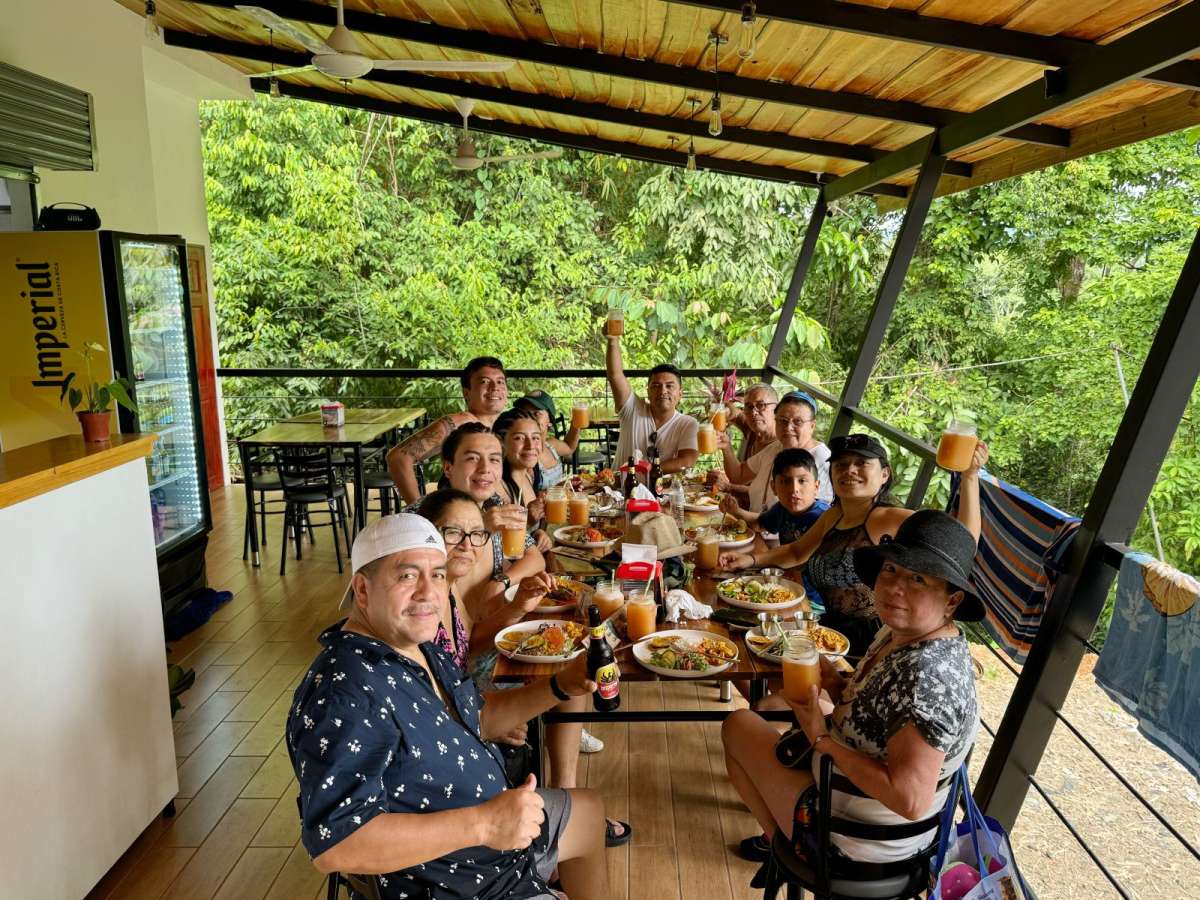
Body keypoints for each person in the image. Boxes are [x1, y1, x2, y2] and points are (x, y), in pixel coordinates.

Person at [287, 514, 611, 900]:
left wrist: (561, 684)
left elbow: (478, 717)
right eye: (407, 576)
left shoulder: (416, 646)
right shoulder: (345, 692)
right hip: (457, 880)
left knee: (589, 813)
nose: (429, 592)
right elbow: (336, 844)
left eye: (437, 575)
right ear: (362, 589)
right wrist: (484, 824)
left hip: (492, 837)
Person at [721, 510, 982, 867]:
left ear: (952, 601)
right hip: (865, 803)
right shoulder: (907, 632)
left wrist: (820, 739)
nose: (894, 587)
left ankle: (789, 852)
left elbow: (910, 800)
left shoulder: (927, 678)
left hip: (858, 837)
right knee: (776, 719)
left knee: (737, 724)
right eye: (891, 569)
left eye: (918, 579)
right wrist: (833, 681)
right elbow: (880, 709)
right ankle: (784, 839)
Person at [417, 490, 631, 841]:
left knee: (566, 676)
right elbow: (413, 699)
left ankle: (565, 802)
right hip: (449, 753)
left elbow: (466, 648)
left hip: (469, 706)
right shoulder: (420, 606)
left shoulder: (447, 588)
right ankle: (559, 826)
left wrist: (517, 609)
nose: (468, 545)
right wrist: (474, 721)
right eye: (451, 533)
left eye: (476, 535)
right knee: (561, 680)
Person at [721, 433, 986, 659]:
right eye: (841, 464)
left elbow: (961, 540)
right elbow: (796, 551)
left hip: (869, 642)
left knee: (754, 647)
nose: (849, 470)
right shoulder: (834, 514)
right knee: (744, 634)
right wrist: (750, 561)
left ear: (884, 474)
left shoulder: (887, 518)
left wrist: (970, 477)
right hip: (830, 630)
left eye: (861, 463)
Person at [437, 423, 545, 612]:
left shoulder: (493, 502)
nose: (485, 468)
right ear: (448, 467)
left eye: (494, 460)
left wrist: (500, 581)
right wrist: (481, 532)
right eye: (472, 458)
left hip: (491, 618)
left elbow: (535, 558)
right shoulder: (427, 516)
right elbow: (435, 579)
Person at [388, 356, 508, 503]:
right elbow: (398, 457)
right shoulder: (459, 422)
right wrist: (419, 511)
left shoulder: (495, 428)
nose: (495, 387)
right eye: (484, 382)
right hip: (455, 515)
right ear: (466, 393)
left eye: (500, 382)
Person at [718, 392, 830, 521]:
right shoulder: (777, 446)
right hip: (754, 526)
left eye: (797, 422)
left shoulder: (822, 457)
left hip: (780, 538)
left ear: (812, 426)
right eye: (783, 421)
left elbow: (811, 518)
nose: (788, 427)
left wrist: (740, 513)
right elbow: (739, 475)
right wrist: (726, 447)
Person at [604, 325, 699, 472]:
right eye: (656, 386)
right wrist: (613, 341)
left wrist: (646, 468)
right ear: (647, 391)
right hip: (620, 491)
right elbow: (615, 375)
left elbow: (687, 461)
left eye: (669, 386)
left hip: (661, 492)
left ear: (680, 393)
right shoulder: (632, 409)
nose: (663, 391)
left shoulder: (687, 423)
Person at [726, 447, 830, 544]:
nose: (794, 489)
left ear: (816, 487)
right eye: (786, 481)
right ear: (774, 488)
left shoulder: (824, 517)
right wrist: (735, 510)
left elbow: (797, 556)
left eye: (802, 481)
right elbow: (759, 524)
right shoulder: (782, 509)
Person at [707, 383, 779, 503]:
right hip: (737, 506)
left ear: (777, 408)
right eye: (749, 406)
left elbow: (764, 493)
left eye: (761, 405)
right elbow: (735, 413)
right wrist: (722, 410)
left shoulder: (781, 446)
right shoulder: (753, 428)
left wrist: (727, 486)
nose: (754, 412)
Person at [515, 390, 580, 489]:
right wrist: (561, 488)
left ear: (549, 420)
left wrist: (576, 423)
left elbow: (569, 447)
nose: (530, 418)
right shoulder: (524, 455)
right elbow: (526, 498)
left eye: (536, 413)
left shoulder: (551, 445)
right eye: (526, 413)